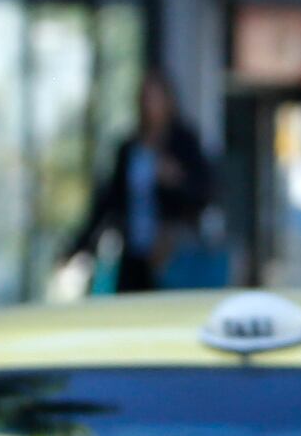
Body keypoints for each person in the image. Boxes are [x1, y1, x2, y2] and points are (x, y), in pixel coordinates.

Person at [82, 71, 223, 293]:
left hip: (172, 254)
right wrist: (80, 246)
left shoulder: (184, 142)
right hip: (135, 254)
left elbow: (206, 192)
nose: (150, 106)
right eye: (146, 98)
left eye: (155, 98)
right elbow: (108, 201)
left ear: (168, 101)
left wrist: (176, 179)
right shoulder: (129, 148)